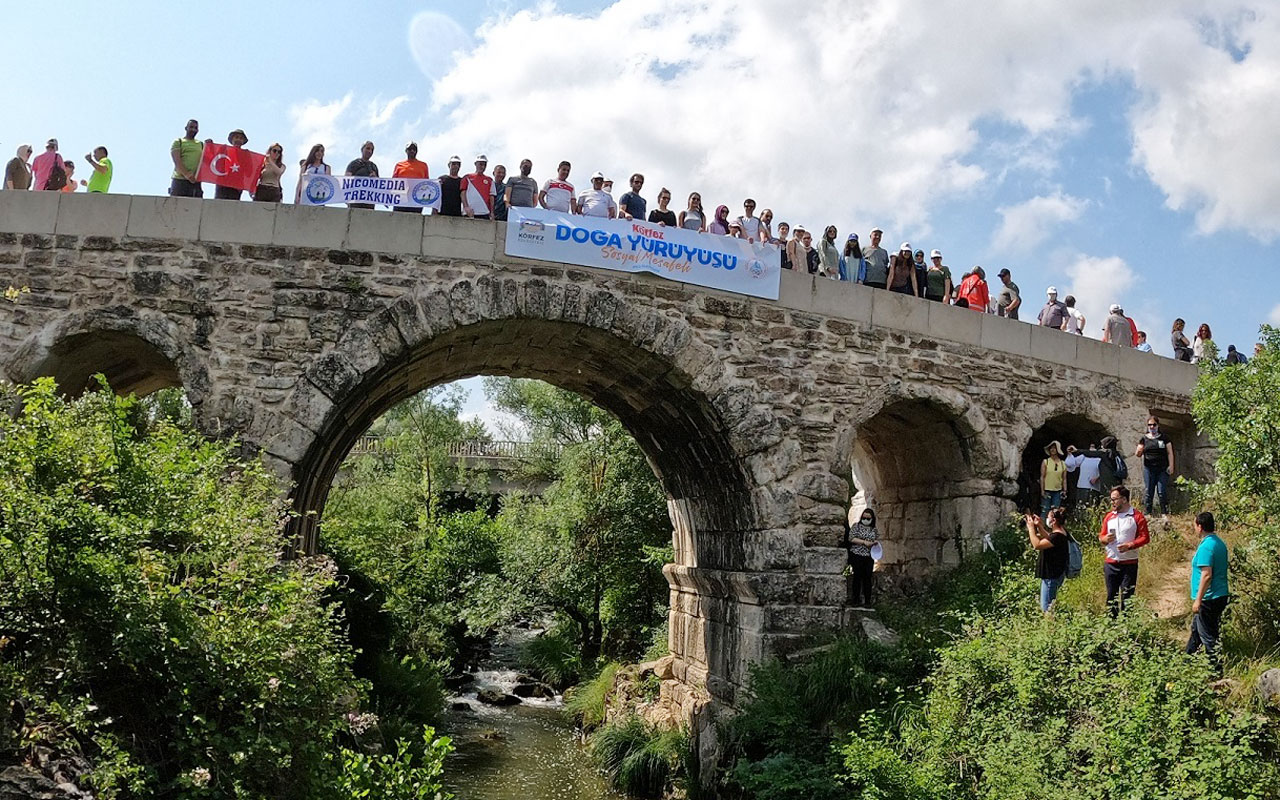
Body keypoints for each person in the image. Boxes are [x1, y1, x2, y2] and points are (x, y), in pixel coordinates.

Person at [1186, 511, 1229, 674]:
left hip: (1209, 598)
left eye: (1194, 525)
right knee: (1197, 631)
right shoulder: (1218, 543)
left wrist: (1198, 600)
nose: (1194, 529)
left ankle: (1216, 673)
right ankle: (1186, 662)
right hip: (1219, 595)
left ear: (1200, 526)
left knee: (1208, 637)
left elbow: (1206, 575)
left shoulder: (1206, 547)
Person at [1098, 486, 1150, 617]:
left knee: (1127, 597)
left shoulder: (1137, 516)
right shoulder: (1109, 517)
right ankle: (1111, 624)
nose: (1112, 502)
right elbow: (1101, 536)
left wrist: (1131, 545)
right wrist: (1104, 539)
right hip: (1111, 562)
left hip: (1129, 563)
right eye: (1111, 500)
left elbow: (1145, 537)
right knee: (1111, 596)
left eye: (1115, 499)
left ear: (1124, 499)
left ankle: (1127, 627)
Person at [1026, 508, 1070, 612]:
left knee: (1046, 609)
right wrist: (1039, 526)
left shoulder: (1057, 536)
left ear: (1054, 520)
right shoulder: (1061, 533)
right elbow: (1049, 537)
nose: (1047, 519)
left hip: (1051, 577)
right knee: (1049, 605)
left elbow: (1037, 545)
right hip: (1055, 575)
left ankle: (1050, 627)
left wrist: (1031, 528)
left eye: (1048, 517)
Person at [1134, 415, 1174, 520]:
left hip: (1162, 469)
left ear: (1158, 425)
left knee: (1161, 491)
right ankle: (1148, 513)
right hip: (1149, 469)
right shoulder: (1144, 438)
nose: (1152, 427)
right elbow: (1138, 453)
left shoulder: (1164, 438)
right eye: (1149, 425)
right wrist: (1139, 451)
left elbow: (1170, 453)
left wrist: (1171, 466)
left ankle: (1164, 513)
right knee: (1149, 491)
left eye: (1154, 425)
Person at [844, 507, 878, 610]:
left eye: (868, 518)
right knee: (857, 577)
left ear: (872, 519)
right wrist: (864, 542)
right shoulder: (856, 526)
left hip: (868, 556)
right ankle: (856, 600)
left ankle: (867, 601)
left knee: (867, 578)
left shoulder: (874, 530)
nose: (866, 520)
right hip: (857, 554)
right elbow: (851, 538)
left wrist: (874, 543)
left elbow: (875, 540)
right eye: (864, 517)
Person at [213, 129, 250, 200]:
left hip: (236, 187)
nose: (238, 140)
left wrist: (248, 157)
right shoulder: (224, 150)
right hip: (222, 185)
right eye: (236, 137)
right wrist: (210, 146)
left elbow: (249, 172)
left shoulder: (246, 155)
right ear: (232, 139)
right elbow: (214, 161)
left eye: (241, 138)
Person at [170, 121, 204, 197]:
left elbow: (207, 160)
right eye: (191, 127)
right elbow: (177, 161)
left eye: (195, 128)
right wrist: (187, 175)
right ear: (186, 128)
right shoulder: (179, 142)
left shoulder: (201, 144)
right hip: (180, 180)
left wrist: (210, 145)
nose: (193, 130)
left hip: (195, 182)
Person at [1065, 443, 1103, 508]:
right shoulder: (1084, 456)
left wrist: (1097, 478)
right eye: (1091, 446)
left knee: (1091, 508)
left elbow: (1105, 471)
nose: (1092, 448)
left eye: (1093, 446)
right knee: (1080, 508)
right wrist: (1069, 453)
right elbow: (1070, 464)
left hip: (1094, 489)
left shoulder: (1100, 458)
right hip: (1081, 486)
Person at [344, 141, 379, 210]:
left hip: (369, 203)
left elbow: (379, 186)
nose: (370, 151)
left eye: (372, 150)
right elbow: (346, 181)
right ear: (362, 149)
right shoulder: (354, 164)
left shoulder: (373, 166)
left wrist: (375, 179)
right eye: (368, 148)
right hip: (355, 202)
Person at [461, 154, 495, 220]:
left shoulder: (489, 180)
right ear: (475, 164)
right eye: (480, 164)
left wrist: (492, 212)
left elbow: (491, 197)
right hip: (470, 212)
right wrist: (466, 207)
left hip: (484, 212)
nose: (482, 167)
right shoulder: (467, 177)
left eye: (484, 165)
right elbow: (463, 193)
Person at [1040, 441, 1067, 517]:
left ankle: (1054, 527)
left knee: (1055, 512)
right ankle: (1042, 527)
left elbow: (1064, 479)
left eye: (1054, 448)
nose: (1052, 450)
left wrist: (1065, 490)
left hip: (1058, 491)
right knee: (1045, 510)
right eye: (1051, 448)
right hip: (1047, 490)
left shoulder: (1063, 464)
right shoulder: (1046, 462)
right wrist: (1042, 490)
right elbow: (1042, 476)